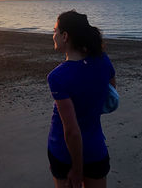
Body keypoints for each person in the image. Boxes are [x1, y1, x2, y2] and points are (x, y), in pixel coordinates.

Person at [47, 10, 116, 188]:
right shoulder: (103, 61)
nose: (53, 35)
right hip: (95, 148)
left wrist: (77, 169)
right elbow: (111, 92)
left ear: (65, 36)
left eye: (55, 31)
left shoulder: (58, 76)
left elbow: (71, 131)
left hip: (63, 152)